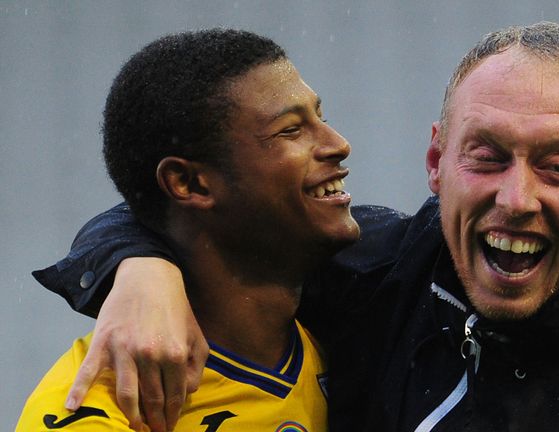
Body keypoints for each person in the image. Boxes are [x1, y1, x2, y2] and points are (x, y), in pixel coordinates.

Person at [31, 22, 559, 431]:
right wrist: (137, 267)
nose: (516, 199)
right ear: (436, 160)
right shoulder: (374, 271)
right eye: (487, 157)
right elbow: (203, 207)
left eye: (558, 167)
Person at [17, 29, 362, 431]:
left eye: (321, 117)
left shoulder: (362, 328)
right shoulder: (99, 411)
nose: (338, 143)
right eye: (290, 130)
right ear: (190, 184)